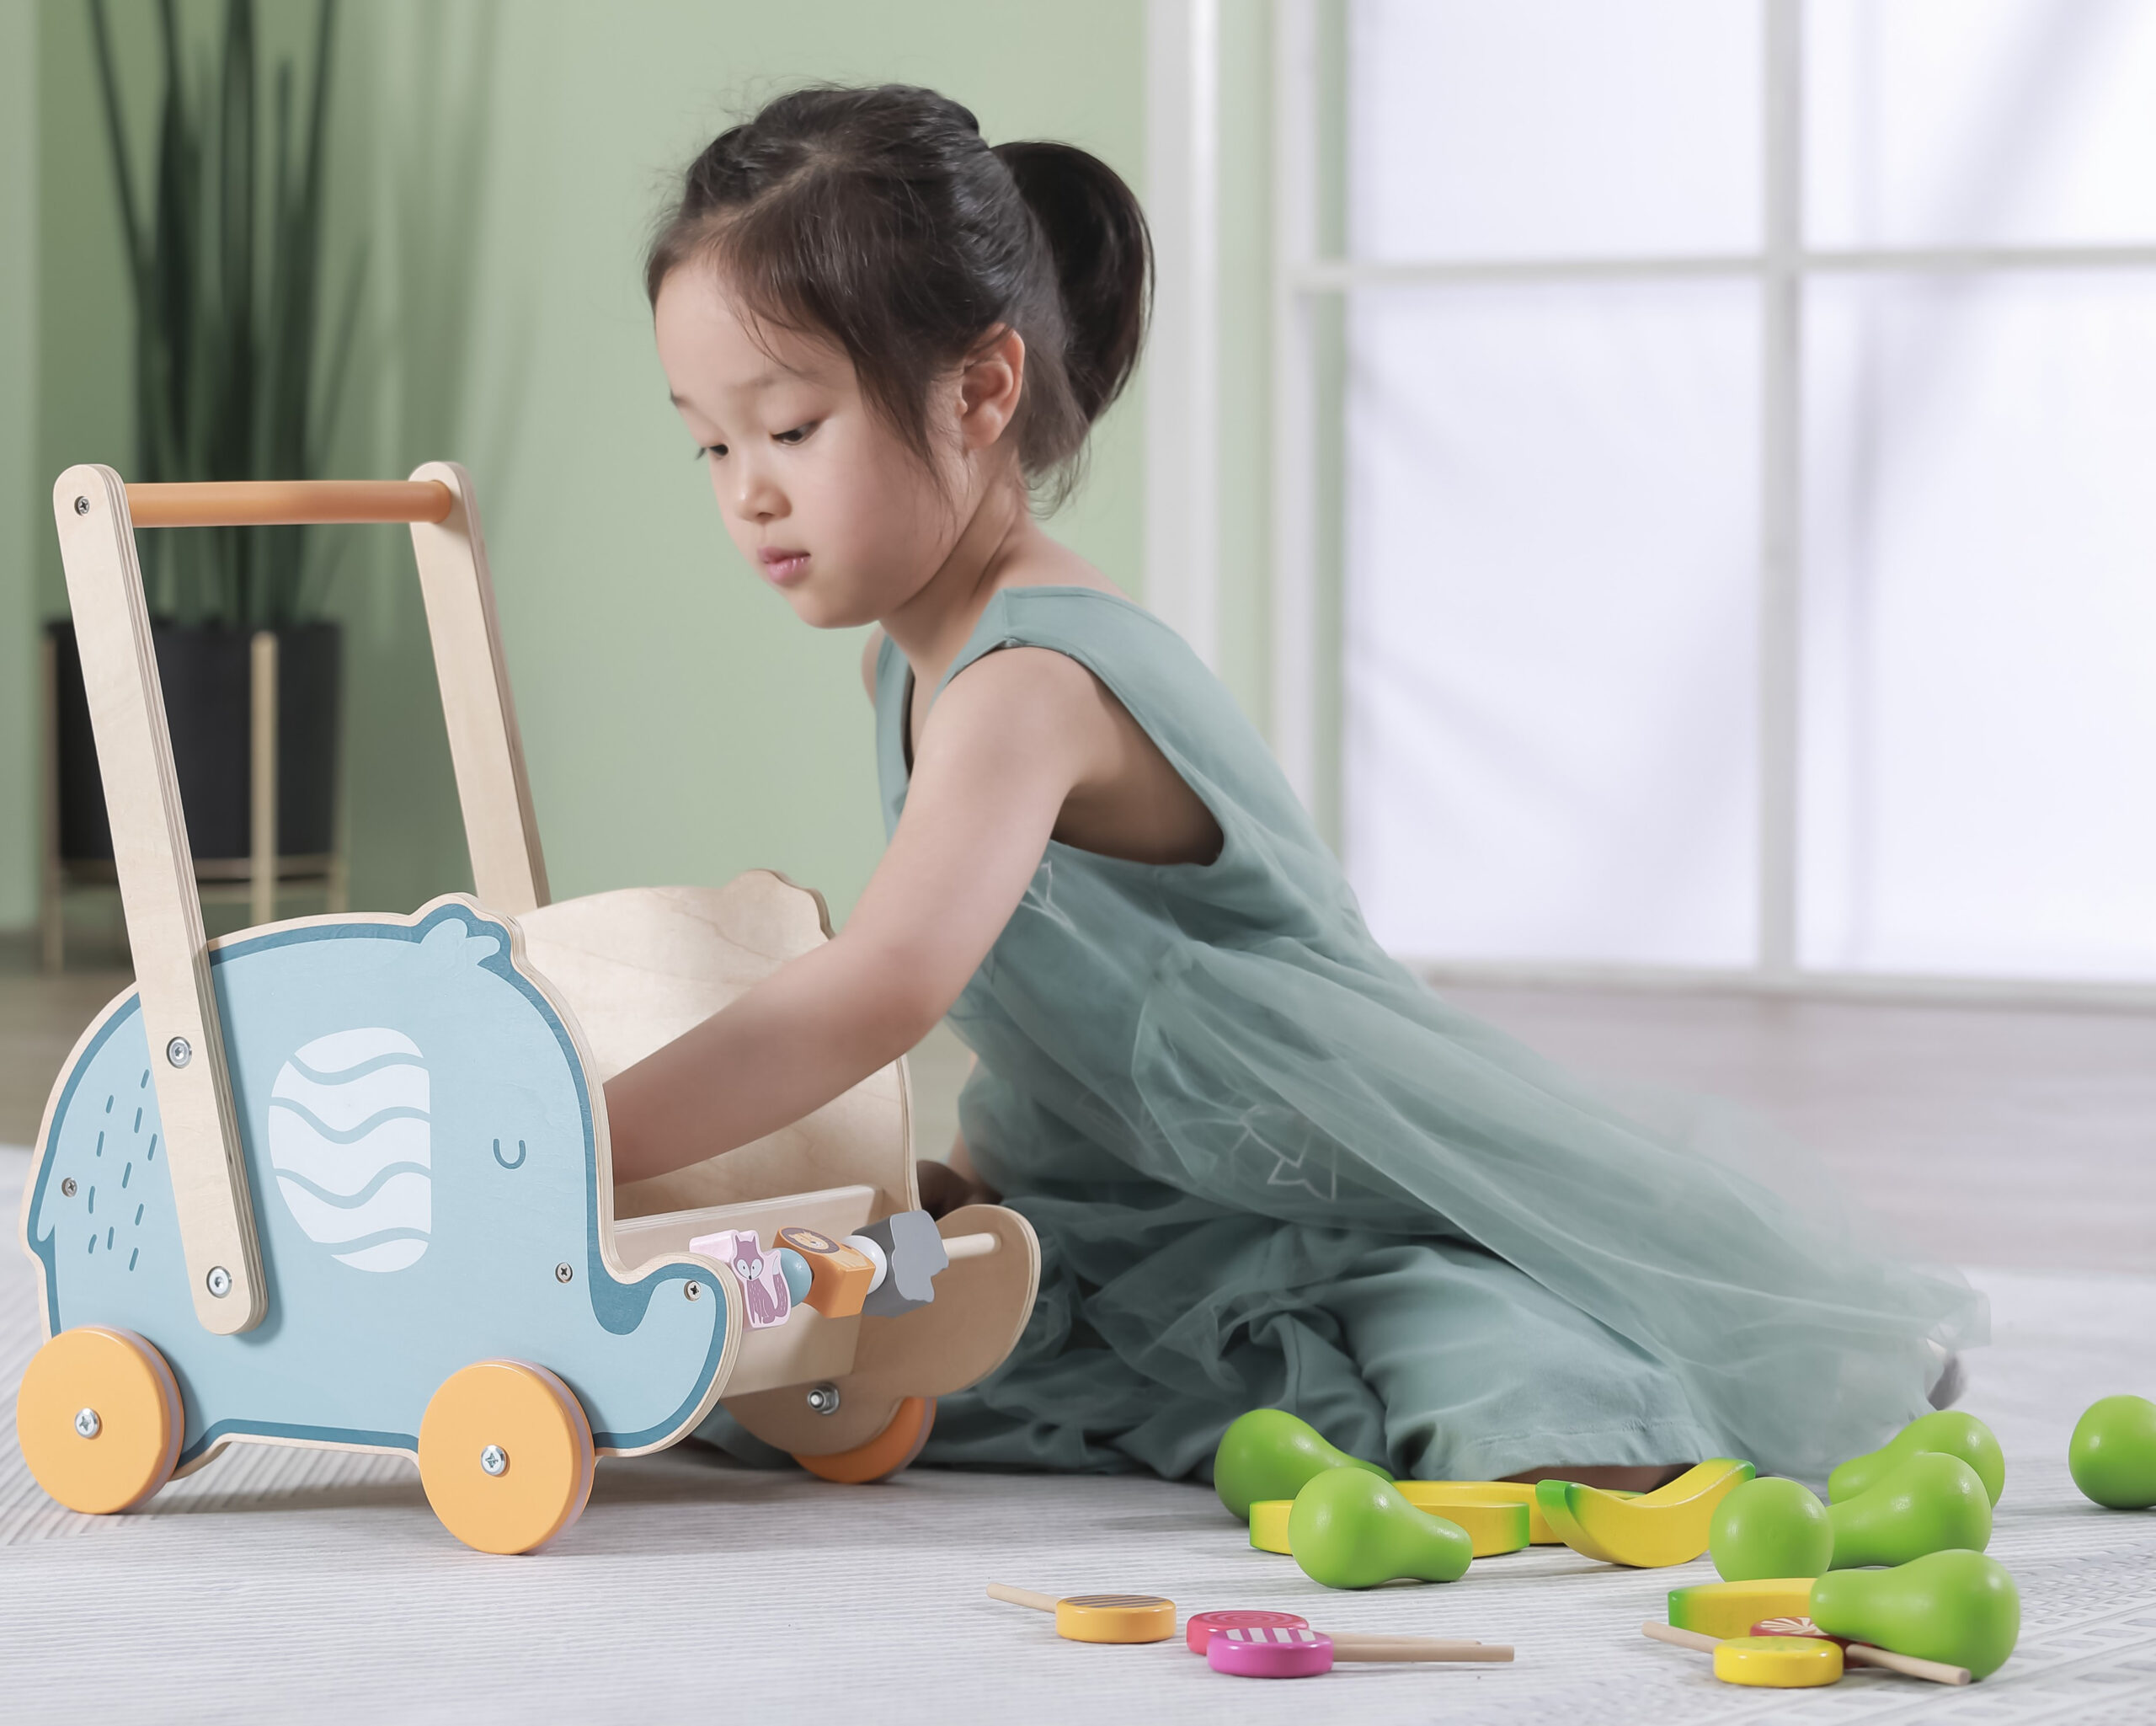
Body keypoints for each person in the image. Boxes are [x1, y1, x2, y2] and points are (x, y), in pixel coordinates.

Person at [606, 83, 1983, 1487]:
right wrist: (967, 1177)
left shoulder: (1026, 684)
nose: (748, 491)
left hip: (1307, 1174)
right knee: (774, 1350)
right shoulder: (903, 670)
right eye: (712, 443)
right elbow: (1043, 989)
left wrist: (590, 1135)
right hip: (1109, 1195)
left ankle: (1688, 1362)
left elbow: (882, 985)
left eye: (791, 427)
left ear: (980, 391)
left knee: (1488, 1374)